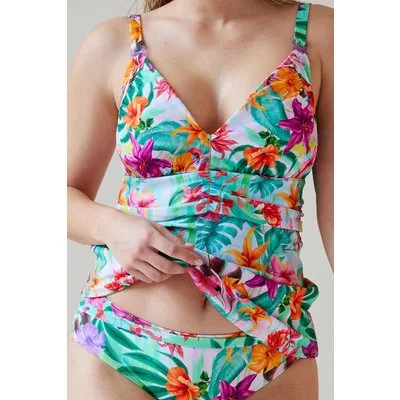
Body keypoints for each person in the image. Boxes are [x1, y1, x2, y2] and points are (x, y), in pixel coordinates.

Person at [67, 0, 333, 399]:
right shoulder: (113, 43)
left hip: (272, 347)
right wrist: (111, 226)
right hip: (120, 344)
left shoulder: (321, 35)